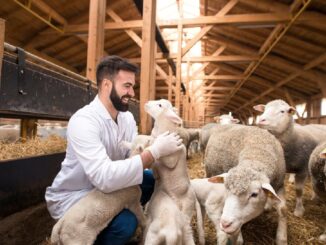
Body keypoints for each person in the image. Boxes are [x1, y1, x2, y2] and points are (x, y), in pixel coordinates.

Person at [45, 55, 183, 245]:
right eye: (127, 86)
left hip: (111, 190)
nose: (132, 93)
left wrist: (152, 147)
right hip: (78, 195)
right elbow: (103, 177)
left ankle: (124, 213)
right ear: (106, 85)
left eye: (132, 86)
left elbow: (131, 158)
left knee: (150, 180)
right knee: (126, 224)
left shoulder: (126, 118)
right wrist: (154, 152)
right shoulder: (84, 121)